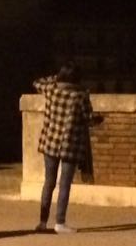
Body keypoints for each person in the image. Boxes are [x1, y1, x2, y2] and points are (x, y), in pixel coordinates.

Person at [34, 62, 95, 234]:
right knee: (65, 184)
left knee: (49, 182)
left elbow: (37, 82)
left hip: (50, 142)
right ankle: (60, 222)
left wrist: (55, 79)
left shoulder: (52, 90)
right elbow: (88, 118)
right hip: (70, 144)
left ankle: (42, 222)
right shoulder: (81, 95)